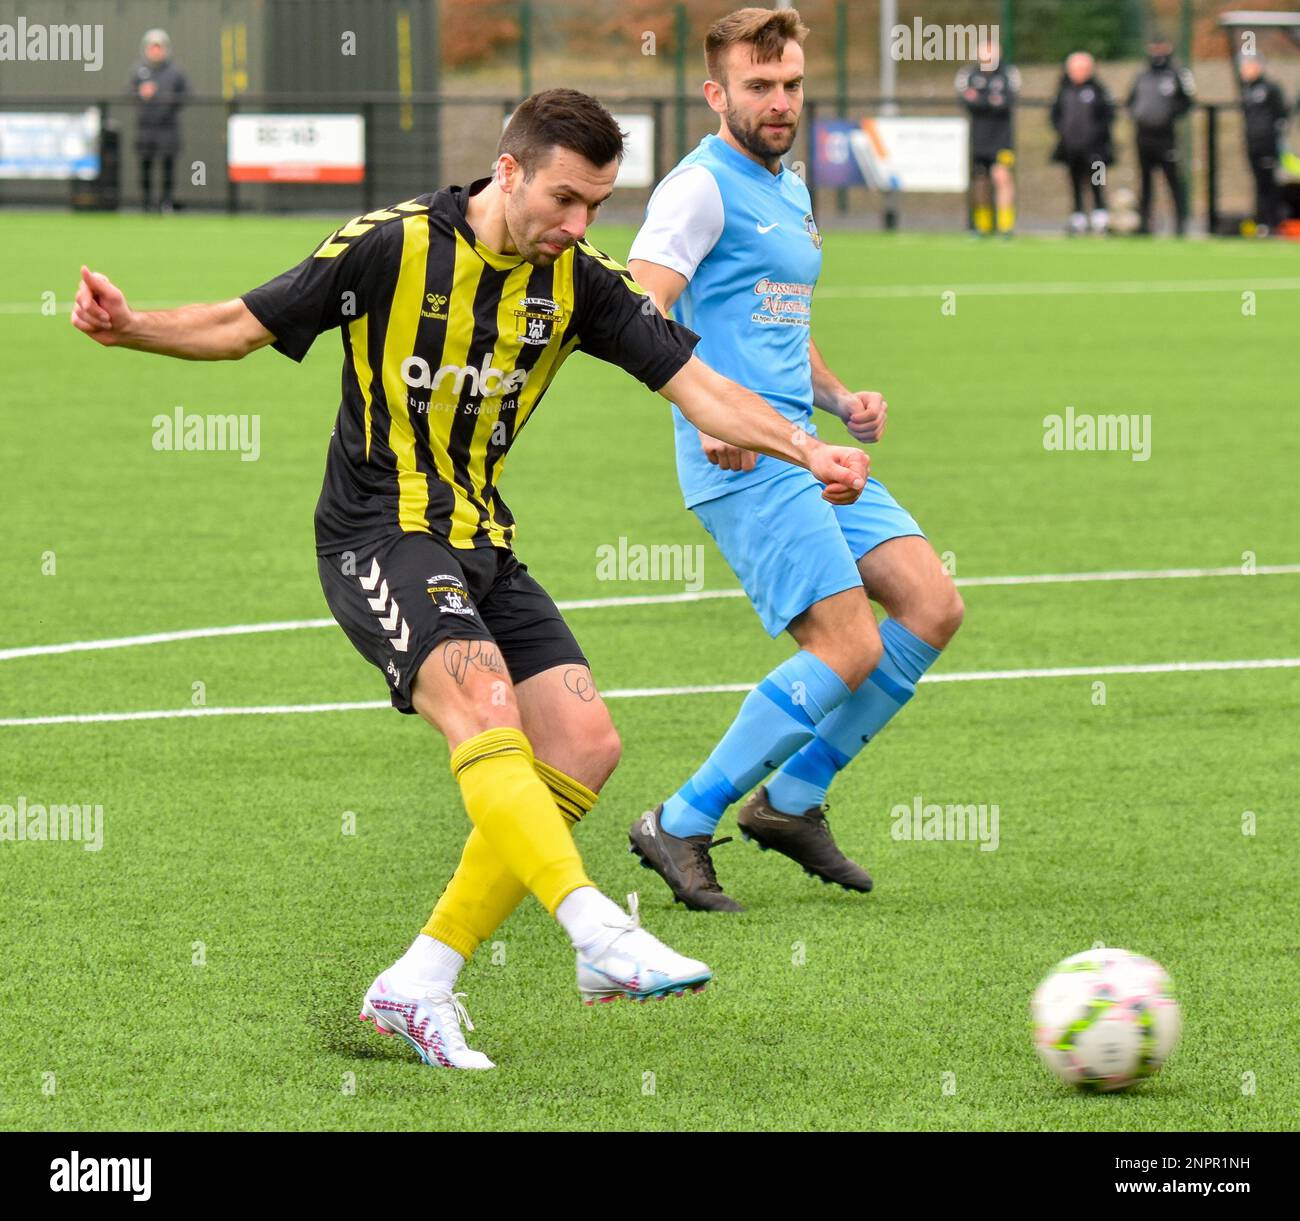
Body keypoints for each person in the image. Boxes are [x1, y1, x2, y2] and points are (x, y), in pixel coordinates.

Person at [70, 88, 869, 1066]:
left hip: (479, 537)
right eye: (564, 201)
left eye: (597, 207)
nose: (577, 227)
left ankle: (417, 984)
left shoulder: (577, 281)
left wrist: (803, 447)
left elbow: (697, 385)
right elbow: (242, 325)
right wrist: (129, 326)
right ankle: (595, 930)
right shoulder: (390, 245)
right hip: (376, 532)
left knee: (582, 743)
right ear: (508, 171)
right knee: (485, 704)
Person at [625, 7, 962, 912]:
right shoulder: (698, 189)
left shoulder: (791, 186)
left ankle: (794, 799)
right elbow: (639, 311)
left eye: (792, 85)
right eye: (760, 87)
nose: (780, 102)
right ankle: (682, 820)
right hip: (741, 456)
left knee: (931, 603)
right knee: (847, 644)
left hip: (805, 444)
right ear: (716, 93)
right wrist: (702, 411)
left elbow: (779, 325)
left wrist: (841, 399)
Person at [1127, 35, 1196, 236]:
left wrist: (1168, 115)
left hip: (1166, 137)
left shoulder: (1176, 74)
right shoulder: (1142, 75)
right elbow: (1131, 100)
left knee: (1173, 180)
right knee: (1145, 182)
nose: (1157, 52)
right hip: (1143, 135)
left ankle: (1181, 223)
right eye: (1154, 47)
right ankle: (1145, 224)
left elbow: (1187, 101)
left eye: (1161, 47)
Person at [955, 37, 1021, 236]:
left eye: (992, 53)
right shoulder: (968, 74)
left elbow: (1007, 101)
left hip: (1002, 139)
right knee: (980, 181)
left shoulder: (1009, 74)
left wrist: (982, 100)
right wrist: (990, 101)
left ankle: (1005, 226)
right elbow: (967, 101)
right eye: (985, 53)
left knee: (1003, 177)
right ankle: (982, 226)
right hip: (978, 140)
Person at [1050, 51, 1116, 234]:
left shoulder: (1098, 90)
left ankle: (1100, 216)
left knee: (1097, 181)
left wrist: (1096, 134)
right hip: (1071, 148)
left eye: (1082, 68)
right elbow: (1055, 116)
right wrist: (1063, 132)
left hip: (1096, 149)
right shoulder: (1064, 90)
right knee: (1075, 182)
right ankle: (1077, 216)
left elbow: (1108, 116)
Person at [129, 28, 189, 213]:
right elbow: (127, 93)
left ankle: (166, 204)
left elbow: (187, 94)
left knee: (168, 168)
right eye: (152, 47)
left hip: (168, 128)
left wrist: (169, 100)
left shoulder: (175, 72)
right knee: (145, 167)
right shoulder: (139, 71)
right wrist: (141, 93)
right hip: (145, 128)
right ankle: (146, 204)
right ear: (147, 49)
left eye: (159, 47)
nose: (156, 51)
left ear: (165, 49)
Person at [1238, 54, 1290, 233]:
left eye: (1248, 66)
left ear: (1258, 66)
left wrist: (1273, 137)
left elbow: (1282, 114)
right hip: (1252, 144)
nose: (1244, 70)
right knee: (1259, 183)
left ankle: (1273, 223)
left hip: (1267, 143)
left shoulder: (1271, 88)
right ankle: (1262, 223)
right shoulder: (1246, 90)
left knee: (1268, 183)